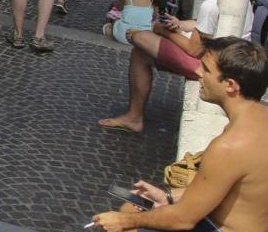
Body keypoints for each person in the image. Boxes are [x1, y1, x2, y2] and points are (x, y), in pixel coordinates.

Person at [92, 37, 268, 232]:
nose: (198, 73)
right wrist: (168, 196)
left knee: (127, 220)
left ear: (231, 86)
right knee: (134, 205)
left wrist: (124, 222)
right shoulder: (256, 120)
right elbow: (231, 190)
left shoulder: (229, 146)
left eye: (206, 69)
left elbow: (183, 220)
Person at [99, 0, 254, 134]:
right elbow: (205, 25)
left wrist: (164, 30)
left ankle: (134, 117)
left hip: (212, 66)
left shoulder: (210, 5)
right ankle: (134, 117)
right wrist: (180, 25)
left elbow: (193, 50)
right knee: (141, 53)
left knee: (139, 37)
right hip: (226, 59)